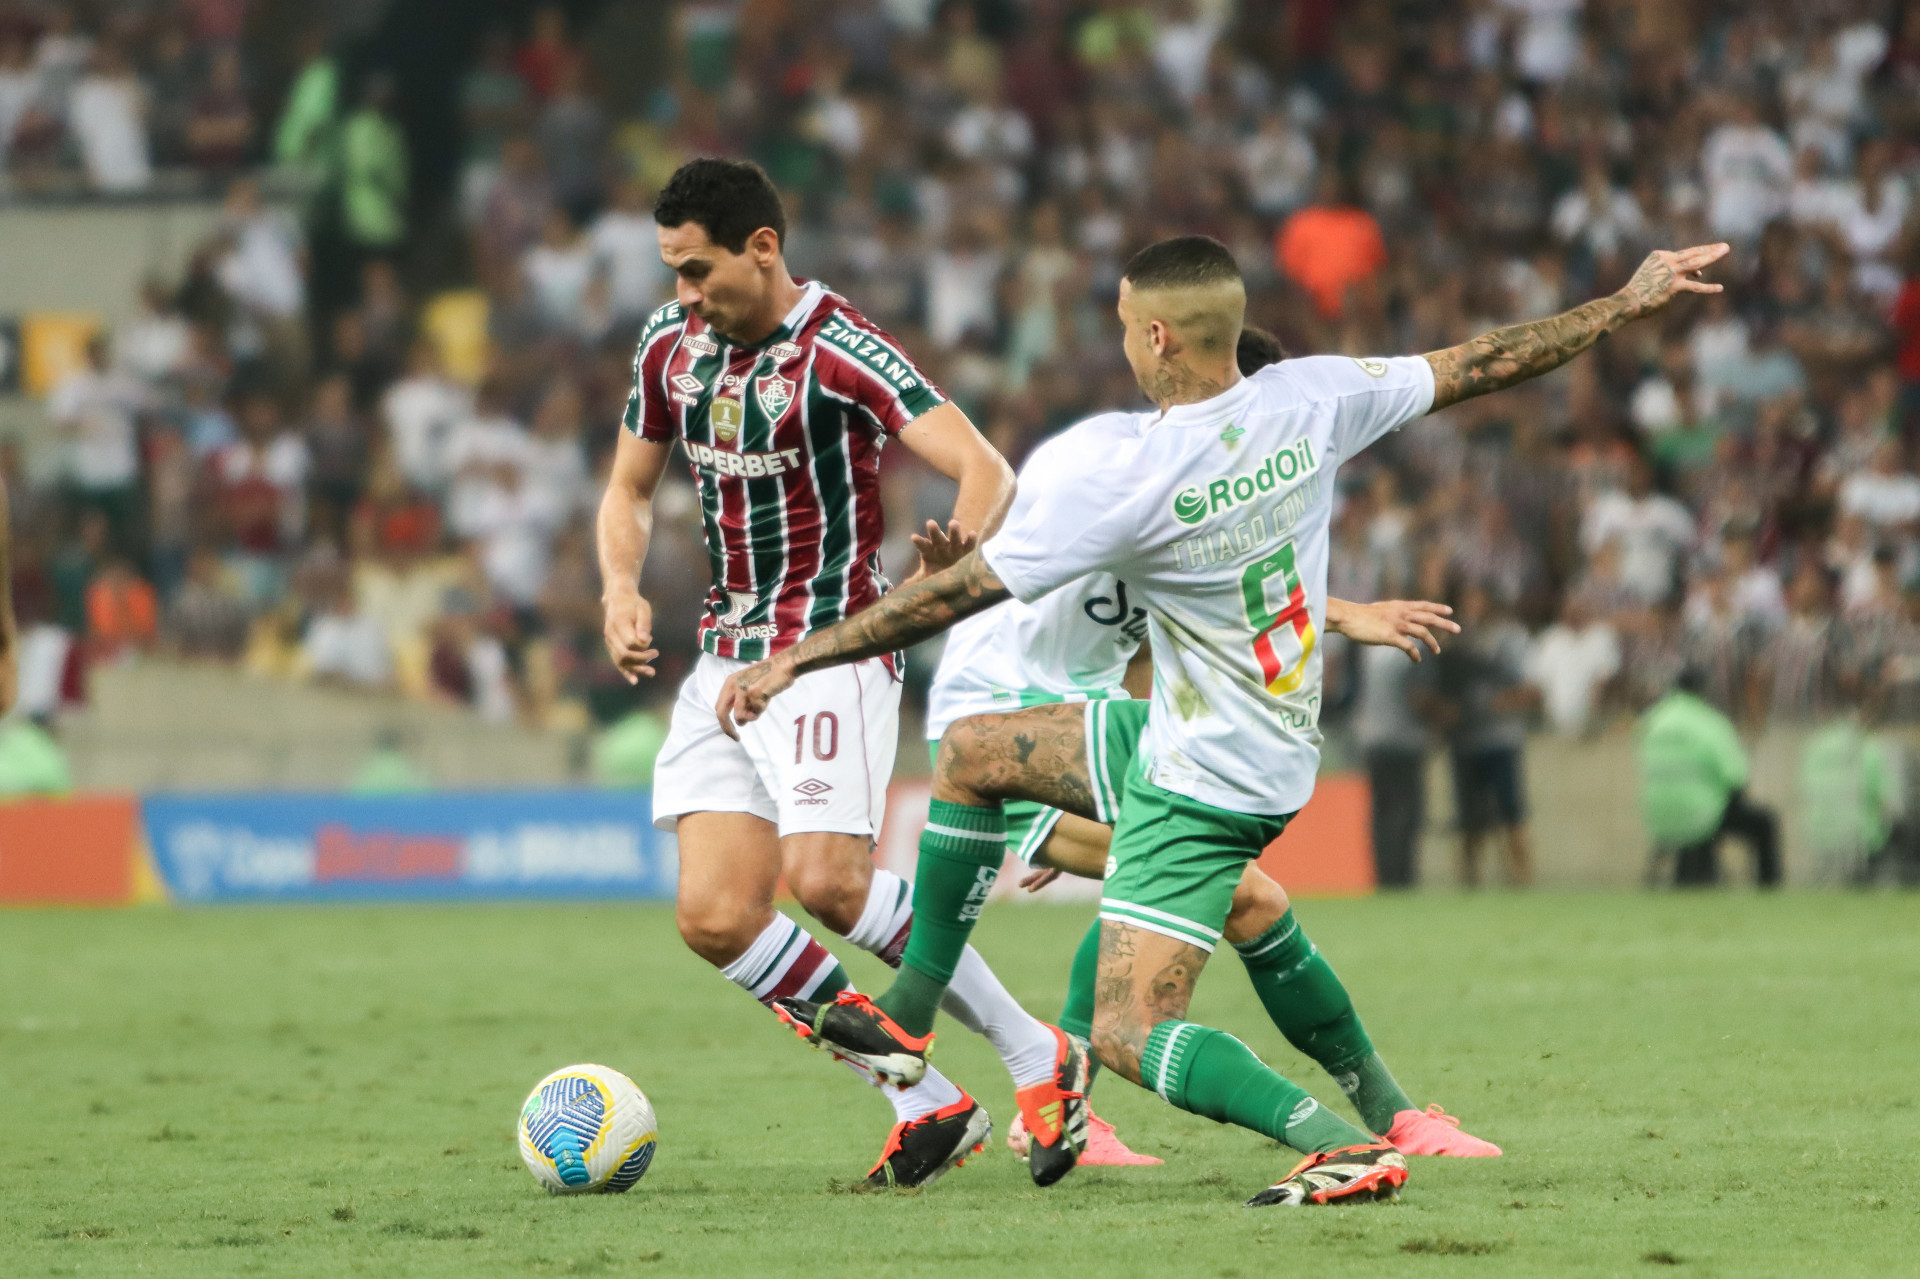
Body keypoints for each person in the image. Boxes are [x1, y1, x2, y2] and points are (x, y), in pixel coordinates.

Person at [719, 233, 1729, 1206]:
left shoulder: (1129, 476)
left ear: (1156, 336)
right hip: (1233, 739)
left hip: (1199, 774)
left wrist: (796, 656)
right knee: (978, 755)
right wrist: (1623, 303)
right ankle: (912, 1015)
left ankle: (1336, 1142)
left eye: (1126, 324)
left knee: (1128, 1029)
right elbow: (1487, 359)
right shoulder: (1313, 398)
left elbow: (952, 597)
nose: (1123, 340)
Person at [596, 158, 1091, 1191]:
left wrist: (956, 565)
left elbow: (986, 468)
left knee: (828, 881)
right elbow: (630, 487)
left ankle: (1037, 1053)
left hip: (831, 650)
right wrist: (618, 588)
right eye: (673, 270)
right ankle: (926, 1101)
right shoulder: (668, 346)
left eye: (697, 268)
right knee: (715, 916)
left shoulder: (840, 348)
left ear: (762, 248)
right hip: (726, 659)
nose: (683, 291)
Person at [917, 328, 1494, 1165]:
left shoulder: (1202, 490)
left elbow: (1209, 608)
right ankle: (1387, 1118)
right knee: (1247, 896)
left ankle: (1063, 1105)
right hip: (1001, 717)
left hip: (1079, 718)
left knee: (1207, 896)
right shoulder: (1131, 475)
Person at [1638, 668, 1781, 887]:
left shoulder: (1652, 720)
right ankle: (1769, 889)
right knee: (1765, 822)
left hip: (1658, 816)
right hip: (1701, 813)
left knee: (1697, 819)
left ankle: (1689, 871)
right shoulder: (1708, 721)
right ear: (1703, 690)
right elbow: (1735, 776)